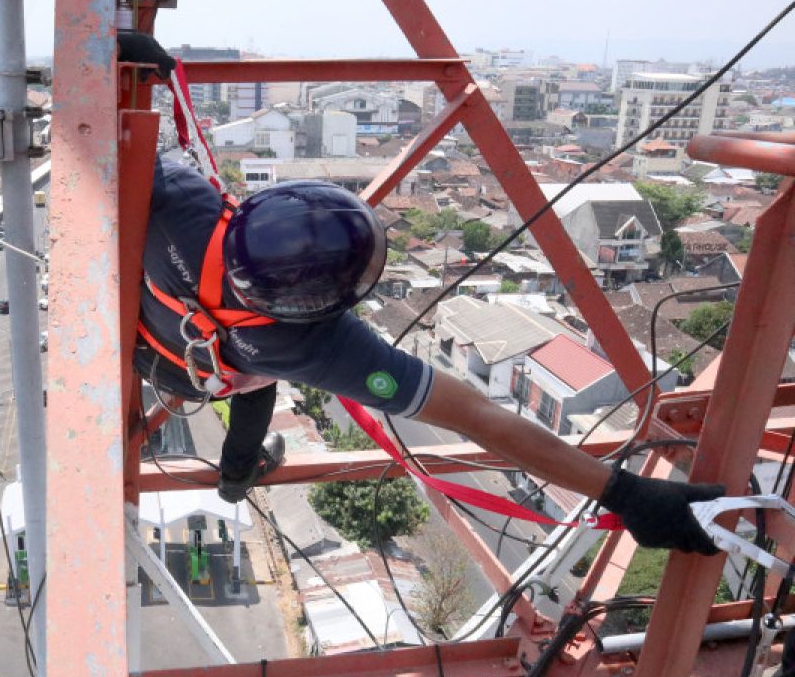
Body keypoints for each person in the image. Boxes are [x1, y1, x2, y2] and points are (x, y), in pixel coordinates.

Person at [122, 34, 724, 555]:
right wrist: (627, 494)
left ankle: (236, 466)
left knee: (252, 374)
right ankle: (236, 475)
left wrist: (119, 69)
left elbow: (101, 142)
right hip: (189, 374)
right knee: (256, 382)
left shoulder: (183, 201)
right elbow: (478, 415)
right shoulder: (319, 349)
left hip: (142, 335)